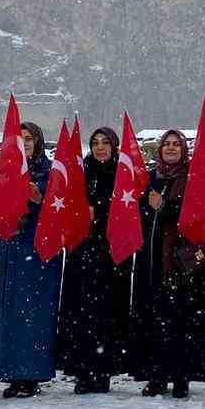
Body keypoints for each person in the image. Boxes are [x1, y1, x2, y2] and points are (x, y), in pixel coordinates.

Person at [128, 129, 205, 398]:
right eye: (167, 144)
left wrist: (164, 206)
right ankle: (156, 375)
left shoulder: (191, 178)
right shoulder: (150, 178)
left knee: (179, 321)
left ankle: (180, 376)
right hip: (150, 259)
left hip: (178, 261)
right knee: (153, 320)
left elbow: (194, 212)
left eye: (177, 144)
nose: (172, 148)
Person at [0, 121, 61, 398]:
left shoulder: (50, 172)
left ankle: (31, 373)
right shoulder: (6, 171)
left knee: (33, 315)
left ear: (38, 141)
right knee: (9, 313)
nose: (24, 143)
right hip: (9, 249)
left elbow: (61, 211)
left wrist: (40, 200)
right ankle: (10, 371)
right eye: (19, 139)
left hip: (37, 253)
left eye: (28, 138)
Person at [57, 125, 132, 394]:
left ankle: (103, 370)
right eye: (95, 143)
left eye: (105, 143)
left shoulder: (122, 173)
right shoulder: (81, 171)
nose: (100, 147)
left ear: (114, 146)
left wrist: (98, 210)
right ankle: (82, 369)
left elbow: (128, 208)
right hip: (82, 251)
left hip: (111, 253)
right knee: (80, 313)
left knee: (107, 314)